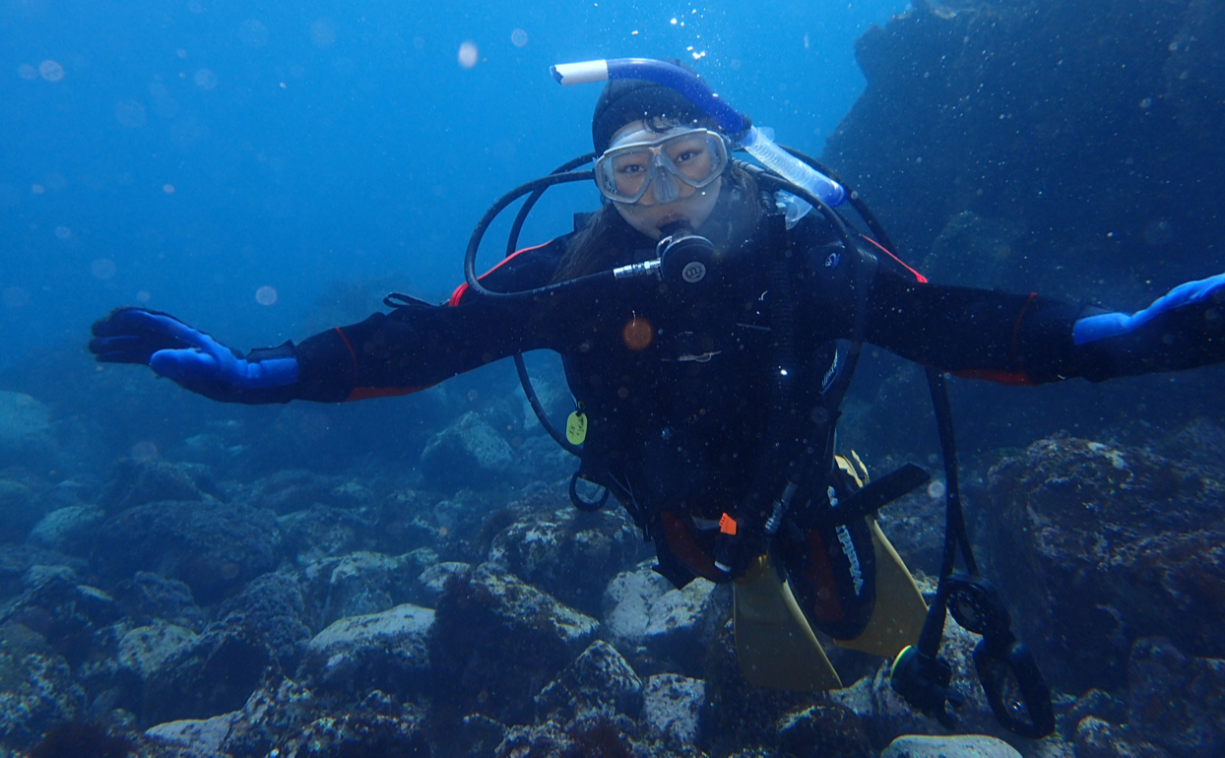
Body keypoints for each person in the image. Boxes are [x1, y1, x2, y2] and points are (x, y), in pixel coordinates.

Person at [89, 59, 1225, 730]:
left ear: (730, 163)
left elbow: (944, 318)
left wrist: (1101, 342)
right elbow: (429, 342)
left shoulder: (801, 256)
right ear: (597, 186)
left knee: (782, 523)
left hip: (779, 444)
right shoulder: (566, 277)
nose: (662, 192)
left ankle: (814, 521)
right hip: (650, 477)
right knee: (693, 555)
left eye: (686, 159)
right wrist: (272, 374)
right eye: (629, 170)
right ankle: (745, 541)